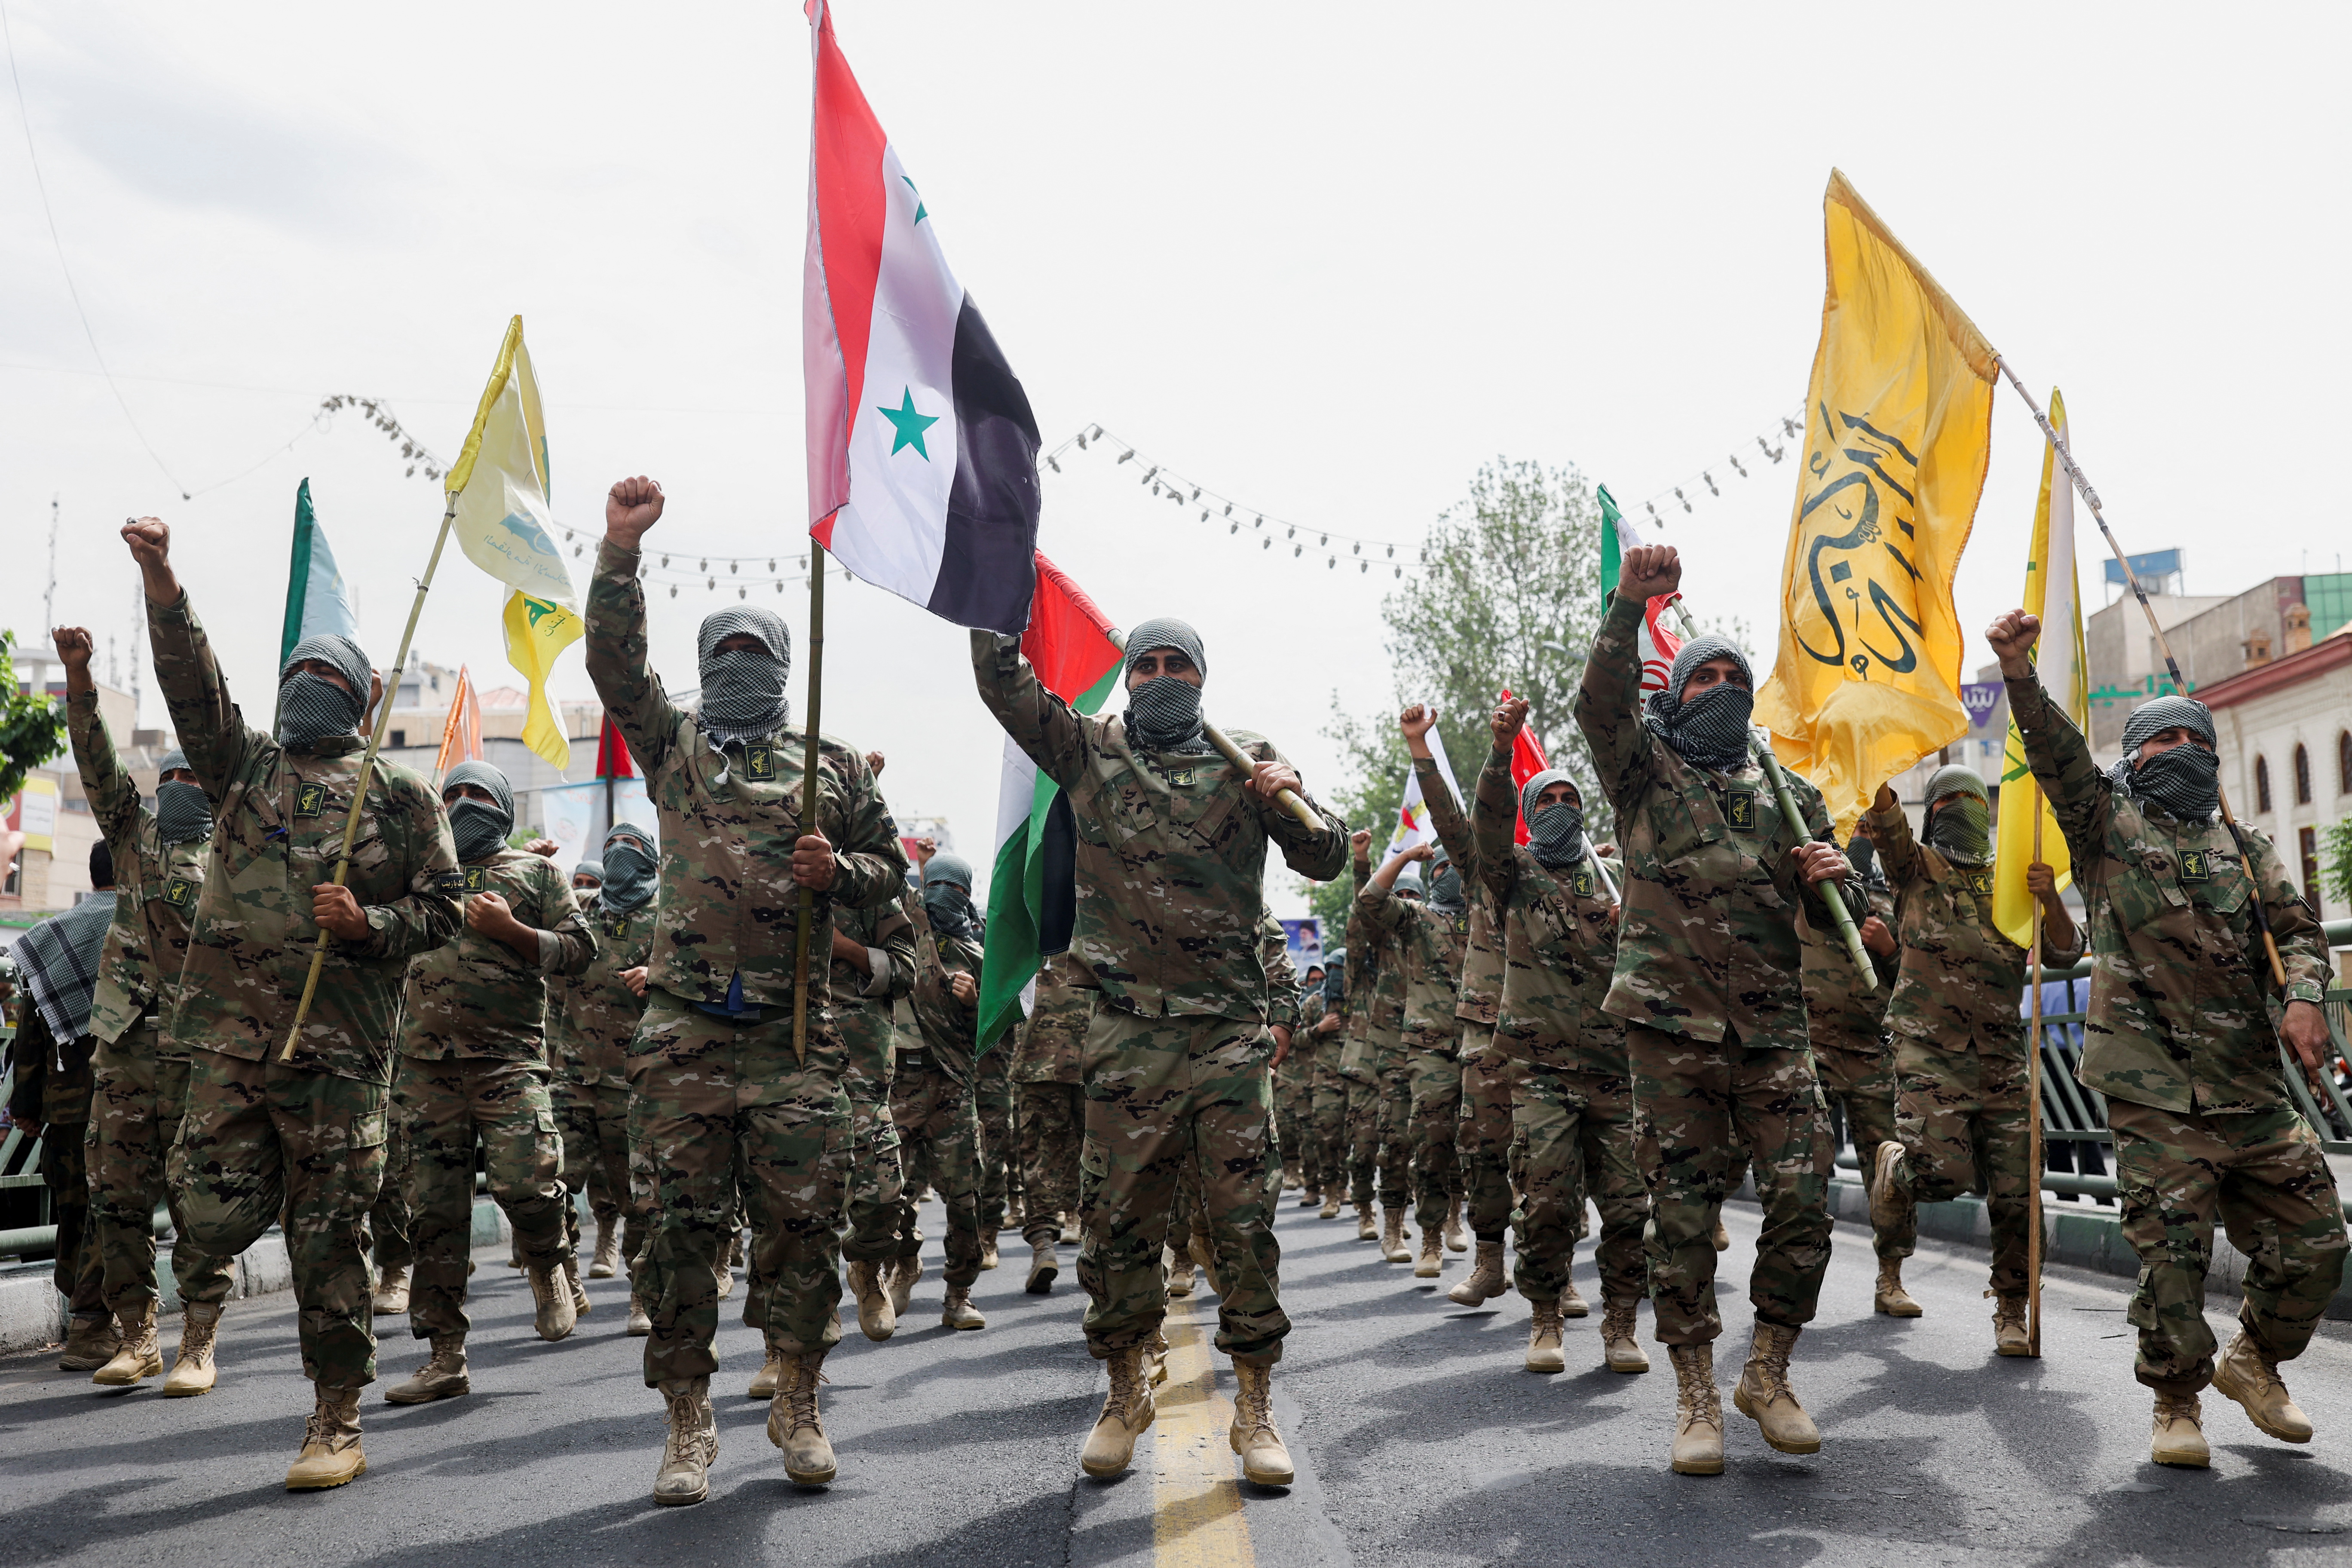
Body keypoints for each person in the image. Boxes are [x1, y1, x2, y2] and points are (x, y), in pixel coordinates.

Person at [587, 476, 909, 1500]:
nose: (738, 663)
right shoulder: (671, 748)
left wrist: (838, 872)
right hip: (683, 1032)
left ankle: (799, 1400)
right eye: (721, 650)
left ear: (781, 664)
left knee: (804, 1231)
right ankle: (687, 1422)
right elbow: (613, 664)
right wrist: (620, 551)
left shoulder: (832, 765)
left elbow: (889, 872)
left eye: (754, 651)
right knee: (676, 1235)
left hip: (792, 1037)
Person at [127, 514, 462, 1490]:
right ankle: (257, 1214)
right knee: (204, 1213)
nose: (306, 682)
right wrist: (163, 581)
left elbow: (445, 911)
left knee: (327, 1243)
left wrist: (369, 925)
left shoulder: (400, 796)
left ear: (359, 695)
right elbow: (193, 685)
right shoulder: (244, 768)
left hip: (338, 1061)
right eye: (296, 672)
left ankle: (335, 1418)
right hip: (233, 1047)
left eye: (325, 673)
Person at [974, 615, 1348, 1486]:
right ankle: (1123, 1390)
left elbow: (1325, 856)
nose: (1163, 676)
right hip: (1127, 1032)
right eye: (1147, 664)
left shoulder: (1246, 757)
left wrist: (1290, 795)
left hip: (1227, 1036)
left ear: (1202, 678)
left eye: (1179, 664)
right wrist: (993, 596)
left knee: (1244, 1224)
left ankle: (1254, 1404)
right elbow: (1005, 687)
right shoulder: (1088, 750)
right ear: (1128, 676)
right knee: (1117, 1224)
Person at [1991, 607, 2343, 1467]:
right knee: (2173, 1253)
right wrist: (2020, 674)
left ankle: (2254, 1359)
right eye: (2164, 738)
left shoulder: (2245, 849)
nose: (2182, 748)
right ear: (2134, 756)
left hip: (2249, 1088)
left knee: (2317, 1239)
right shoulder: (2105, 826)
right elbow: (2057, 756)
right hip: (2152, 1088)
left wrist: (2304, 997)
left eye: (2196, 738)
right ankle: (2176, 1402)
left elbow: (2300, 935)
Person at [1574, 543, 1856, 1477]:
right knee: (1683, 1218)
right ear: (1674, 694)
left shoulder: (1791, 796)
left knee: (1805, 1198)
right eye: (1707, 678)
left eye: (1738, 678)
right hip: (1673, 1034)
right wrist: (1628, 604)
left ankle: (1766, 1371)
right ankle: (1696, 1393)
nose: (1725, 689)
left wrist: (1831, 878)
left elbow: (1852, 915)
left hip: (1775, 1032)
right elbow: (1599, 706)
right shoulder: (1643, 772)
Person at [52, 625, 242, 1393]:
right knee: (116, 1199)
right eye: (171, 775)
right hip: (128, 1048)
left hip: (205, 1055)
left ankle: (199, 1341)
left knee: (204, 1203)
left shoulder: (242, 846)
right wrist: (80, 681)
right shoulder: (133, 836)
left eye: (194, 773)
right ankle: (137, 1335)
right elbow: (97, 763)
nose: (181, 784)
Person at [380, 761, 594, 1403]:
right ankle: (444, 1356)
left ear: (503, 806)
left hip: (509, 1061)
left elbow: (581, 952)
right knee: (433, 1216)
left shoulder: (536, 874)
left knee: (526, 1182)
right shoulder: (416, 875)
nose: (466, 802)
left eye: (480, 793)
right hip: (425, 1068)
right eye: (455, 794)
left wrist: (512, 931)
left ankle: (548, 1261)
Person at [1862, 768, 2081, 1353]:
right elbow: (1886, 824)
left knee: (2018, 1191)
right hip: (1930, 1054)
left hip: (2003, 1056)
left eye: (1972, 800)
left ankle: (2012, 1308)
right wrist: (1876, 766)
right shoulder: (1915, 869)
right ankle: (1897, 1167)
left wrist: (2048, 898)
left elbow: (2066, 953)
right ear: (1931, 813)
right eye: (1949, 801)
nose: (1961, 808)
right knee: (1943, 1176)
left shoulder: (2011, 880)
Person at [1473, 696, 1651, 1375]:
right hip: (1542, 1073)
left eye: (1569, 799)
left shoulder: (1615, 879)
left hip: (1615, 1069)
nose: (1559, 807)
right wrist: (1501, 753)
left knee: (1630, 1209)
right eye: (1546, 800)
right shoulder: (1514, 874)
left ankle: (1621, 1323)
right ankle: (1546, 1317)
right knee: (1548, 1203)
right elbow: (1486, 827)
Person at [1400, 705, 1518, 1309]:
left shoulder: (1558, 876)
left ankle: (1556, 1278)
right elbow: (1453, 816)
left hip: (1555, 1039)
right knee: (1484, 1149)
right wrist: (1423, 749)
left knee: (1554, 1159)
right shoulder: (1481, 877)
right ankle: (1488, 1261)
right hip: (1487, 1036)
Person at [9, 842, 119, 1372]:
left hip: (68, 1104)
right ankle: (93, 1324)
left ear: (92, 874)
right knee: (116, 1209)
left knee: (75, 1210)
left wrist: (26, 1103)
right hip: (128, 1100)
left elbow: (31, 1029)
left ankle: (85, 1316)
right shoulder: (142, 927)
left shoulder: (53, 936)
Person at [1794, 820, 1905, 1312]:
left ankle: (1891, 1277)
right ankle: (1794, 1280)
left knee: (1889, 1171)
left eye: (1864, 827)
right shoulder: (1800, 890)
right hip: (1810, 1048)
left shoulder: (1890, 900)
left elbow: (1919, 980)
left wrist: (1890, 950)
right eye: (1850, 825)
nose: (1857, 834)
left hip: (1871, 1054)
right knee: (1802, 1171)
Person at [829, 761, 919, 1346]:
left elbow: (907, 969)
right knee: (789, 1216)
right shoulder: (761, 882)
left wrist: (847, 950)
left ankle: (867, 1266)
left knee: (884, 1196)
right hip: (783, 1068)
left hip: (861, 1071)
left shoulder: (873, 888)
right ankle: (787, 1347)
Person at [1356, 838, 1469, 1280]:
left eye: (1454, 866)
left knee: (1469, 1142)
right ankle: (1399, 1228)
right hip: (1402, 1050)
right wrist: (1378, 860)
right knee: (1407, 1141)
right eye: (1439, 869)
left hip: (1466, 1046)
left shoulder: (1478, 920)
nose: (1448, 874)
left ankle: (1461, 1223)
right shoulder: (1399, 930)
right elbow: (1368, 902)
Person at [887, 853, 989, 1331]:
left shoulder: (978, 955)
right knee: (890, 1194)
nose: (946, 895)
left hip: (952, 1085)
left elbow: (994, 1036)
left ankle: (959, 1293)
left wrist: (973, 1004)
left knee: (965, 1198)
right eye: (936, 885)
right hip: (899, 1084)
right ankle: (905, 1262)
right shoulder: (905, 931)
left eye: (958, 888)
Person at [1016, 950, 1093, 1292]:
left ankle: (1043, 1246)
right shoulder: (1097, 929)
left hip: (1040, 1061)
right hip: (1095, 1060)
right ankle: (1095, 1254)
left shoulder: (1028, 934)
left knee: (1041, 1160)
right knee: (1099, 1158)